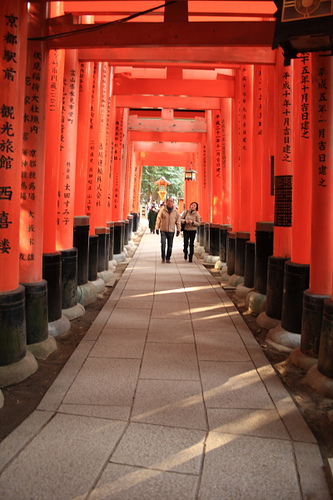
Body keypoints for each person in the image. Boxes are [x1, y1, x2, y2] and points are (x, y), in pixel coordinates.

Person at [155, 197, 181, 263]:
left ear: (173, 203)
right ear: (166, 202)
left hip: (171, 231)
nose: (170, 202)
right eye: (169, 201)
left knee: (170, 246)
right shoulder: (162, 210)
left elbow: (178, 221)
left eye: (171, 201)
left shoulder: (175, 212)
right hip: (163, 230)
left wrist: (178, 230)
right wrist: (157, 228)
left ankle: (168, 258)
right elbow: (158, 219)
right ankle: (163, 257)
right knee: (163, 244)